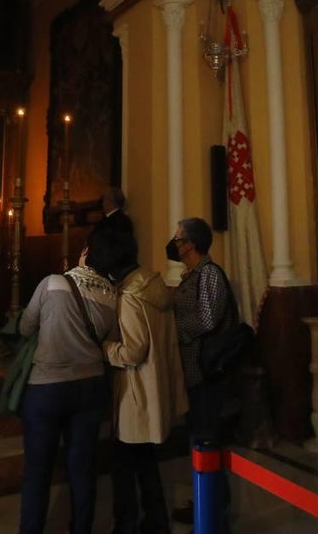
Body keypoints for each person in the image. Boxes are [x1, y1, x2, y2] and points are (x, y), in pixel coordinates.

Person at [18, 235, 120, 534]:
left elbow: (26, 326)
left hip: (47, 388)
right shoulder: (112, 295)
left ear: (85, 253)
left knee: (38, 470)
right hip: (90, 386)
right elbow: (110, 339)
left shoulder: (52, 283)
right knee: (82, 467)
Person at [101, 229, 188, 534]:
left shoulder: (129, 297)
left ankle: (127, 524)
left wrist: (104, 347)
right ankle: (157, 521)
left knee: (124, 466)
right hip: (154, 390)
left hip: (135, 397)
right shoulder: (155, 285)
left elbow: (133, 351)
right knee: (146, 463)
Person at [168, 217, 236, 528]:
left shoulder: (208, 274)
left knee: (206, 437)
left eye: (179, 238)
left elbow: (207, 319)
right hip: (194, 371)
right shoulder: (191, 275)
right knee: (198, 438)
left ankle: (214, 508)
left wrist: (174, 331)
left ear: (191, 244)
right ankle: (204, 502)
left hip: (207, 373)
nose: (175, 243)